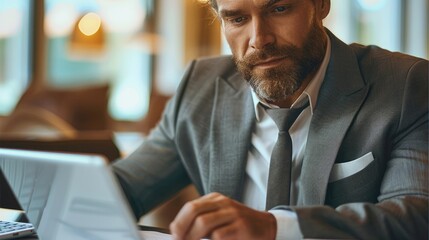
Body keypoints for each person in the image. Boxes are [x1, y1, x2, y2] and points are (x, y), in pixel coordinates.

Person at [112, 0, 428, 239]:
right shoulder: (200, 87)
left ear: (320, 5)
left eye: (279, 9)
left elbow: (414, 218)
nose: (259, 39)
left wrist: (274, 228)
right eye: (237, 18)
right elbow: (122, 189)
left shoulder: (405, 85)